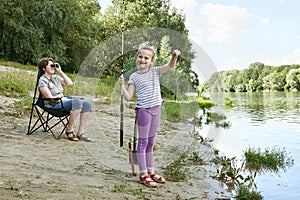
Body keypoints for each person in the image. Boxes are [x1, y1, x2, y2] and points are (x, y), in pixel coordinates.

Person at [118, 45, 181, 187]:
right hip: (143, 111)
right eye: (140, 57)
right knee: (143, 142)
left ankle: (151, 171)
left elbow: (170, 66)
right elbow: (128, 97)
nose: (143, 59)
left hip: (156, 109)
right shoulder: (133, 77)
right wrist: (121, 85)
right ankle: (143, 173)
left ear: (151, 61)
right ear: (137, 58)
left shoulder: (155, 72)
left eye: (146, 58)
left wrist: (174, 56)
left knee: (151, 142)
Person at [37, 57, 92, 142]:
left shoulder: (56, 78)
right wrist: (63, 100)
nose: (53, 67)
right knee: (77, 102)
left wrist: (60, 71)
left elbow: (69, 83)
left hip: (62, 101)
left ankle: (81, 133)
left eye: (53, 65)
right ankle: (69, 129)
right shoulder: (42, 81)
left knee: (87, 103)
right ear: (44, 68)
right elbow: (50, 98)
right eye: (50, 66)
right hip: (53, 105)